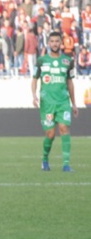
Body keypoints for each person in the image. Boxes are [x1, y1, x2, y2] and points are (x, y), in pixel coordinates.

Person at [32, 31, 79, 172]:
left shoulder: (68, 61)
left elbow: (70, 82)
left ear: (61, 43)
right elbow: (34, 79)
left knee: (64, 129)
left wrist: (74, 103)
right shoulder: (41, 61)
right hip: (47, 103)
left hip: (63, 102)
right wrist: (34, 95)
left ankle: (66, 164)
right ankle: (45, 159)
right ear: (48, 43)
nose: (54, 44)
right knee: (50, 134)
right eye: (52, 41)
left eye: (57, 41)